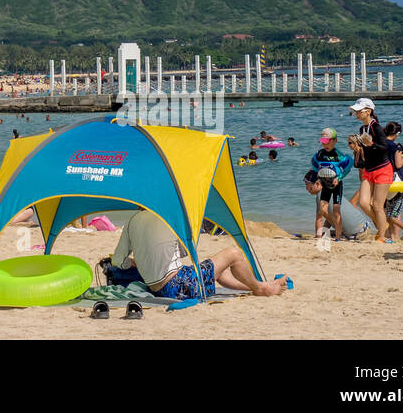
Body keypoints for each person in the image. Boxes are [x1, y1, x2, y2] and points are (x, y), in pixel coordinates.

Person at [111, 210, 287, 299]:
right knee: (233, 254)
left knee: (217, 270)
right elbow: (183, 252)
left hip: (157, 290)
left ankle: (255, 287)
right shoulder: (170, 217)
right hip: (177, 286)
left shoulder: (132, 220)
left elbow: (117, 260)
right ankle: (263, 288)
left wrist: (134, 262)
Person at [347, 98, 392, 243]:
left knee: (378, 205)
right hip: (369, 169)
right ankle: (382, 225)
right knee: (363, 203)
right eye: (356, 111)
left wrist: (371, 144)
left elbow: (385, 148)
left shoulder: (376, 128)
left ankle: (382, 235)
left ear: (369, 111)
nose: (356, 113)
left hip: (383, 169)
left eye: (359, 111)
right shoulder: (362, 129)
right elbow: (369, 150)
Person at [307, 127, 353, 240]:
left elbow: (347, 167)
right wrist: (313, 181)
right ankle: (338, 227)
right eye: (323, 142)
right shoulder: (319, 154)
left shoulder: (339, 155)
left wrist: (339, 177)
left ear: (335, 140)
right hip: (325, 185)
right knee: (322, 210)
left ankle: (338, 236)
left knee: (336, 211)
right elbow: (315, 168)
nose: (324, 145)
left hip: (336, 185)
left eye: (327, 142)